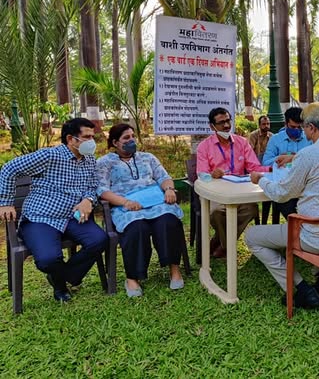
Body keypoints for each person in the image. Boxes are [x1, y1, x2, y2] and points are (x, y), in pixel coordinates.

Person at [245, 102, 319, 308]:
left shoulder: (310, 154)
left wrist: (259, 179)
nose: (302, 130)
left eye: (304, 126)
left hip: (317, 235)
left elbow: (281, 194)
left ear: (311, 128)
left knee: (252, 236)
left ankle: (300, 288)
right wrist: (294, 158)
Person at [0, 118, 107, 303]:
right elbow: (9, 169)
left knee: (99, 240)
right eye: (87, 137)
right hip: (41, 218)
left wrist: (88, 200)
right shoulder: (49, 156)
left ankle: (63, 277)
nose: (92, 141)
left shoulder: (89, 159)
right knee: (48, 259)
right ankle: (61, 285)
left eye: (93, 136)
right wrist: (5, 202)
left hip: (73, 217)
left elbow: (92, 185)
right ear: (71, 139)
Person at [96, 123, 185, 297]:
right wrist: (125, 202)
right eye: (126, 138)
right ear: (115, 142)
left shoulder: (147, 157)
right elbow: (102, 190)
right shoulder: (104, 163)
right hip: (126, 207)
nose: (131, 140)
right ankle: (132, 277)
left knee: (168, 221)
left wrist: (168, 189)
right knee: (137, 228)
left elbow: (164, 177)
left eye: (132, 136)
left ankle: (174, 269)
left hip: (155, 202)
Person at [197, 107, 269, 258]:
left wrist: (271, 168)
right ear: (212, 126)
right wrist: (211, 174)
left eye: (228, 121)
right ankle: (226, 247)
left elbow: (254, 167)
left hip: (239, 192)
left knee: (251, 209)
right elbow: (202, 175)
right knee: (216, 213)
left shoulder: (242, 143)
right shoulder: (204, 146)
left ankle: (220, 241)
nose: (226, 125)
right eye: (221, 123)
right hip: (217, 194)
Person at [262, 107, 312, 218]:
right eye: (293, 127)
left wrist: (295, 157)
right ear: (285, 124)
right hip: (284, 184)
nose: (296, 130)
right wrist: (280, 158)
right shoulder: (275, 140)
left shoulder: (308, 139)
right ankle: (296, 225)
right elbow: (265, 163)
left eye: (300, 127)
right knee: (286, 204)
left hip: (305, 185)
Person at [249, 115, 274, 224]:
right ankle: (257, 222)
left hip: (267, 167)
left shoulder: (272, 136)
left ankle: (264, 222)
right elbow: (250, 153)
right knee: (254, 199)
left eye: (268, 123)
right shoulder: (253, 135)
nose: (266, 126)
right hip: (255, 167)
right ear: (259, 125)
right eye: (264, 124)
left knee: (267, 194)